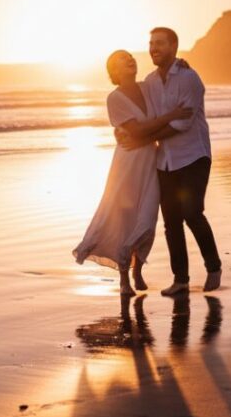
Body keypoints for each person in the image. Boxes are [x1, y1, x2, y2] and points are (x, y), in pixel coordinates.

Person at [73, 50, 192, 296]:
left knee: (147, 219)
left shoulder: (148, 86)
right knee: (124, 218)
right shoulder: (114, 98)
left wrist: (180, 65)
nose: (129, 60)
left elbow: (166, 77)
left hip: (151, 162)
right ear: (113, 71)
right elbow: (136, 131)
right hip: (127, 164)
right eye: (122, 59)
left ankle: (138, 267)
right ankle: (125, 278)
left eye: (130, 56)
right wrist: (171, 116)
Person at [125, 27, 222, 296]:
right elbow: (136, 104)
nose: (153, 48)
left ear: (174, 46)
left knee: (192, 212)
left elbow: (182, 122)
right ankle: (181, 280)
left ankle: (213, 266)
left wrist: (145, 138)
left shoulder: (189, 78)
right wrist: (126, 130)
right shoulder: (151, 81)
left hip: (193, 155)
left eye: (160, 43)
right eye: (151, 43)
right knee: (171, 222)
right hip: (165, 160)